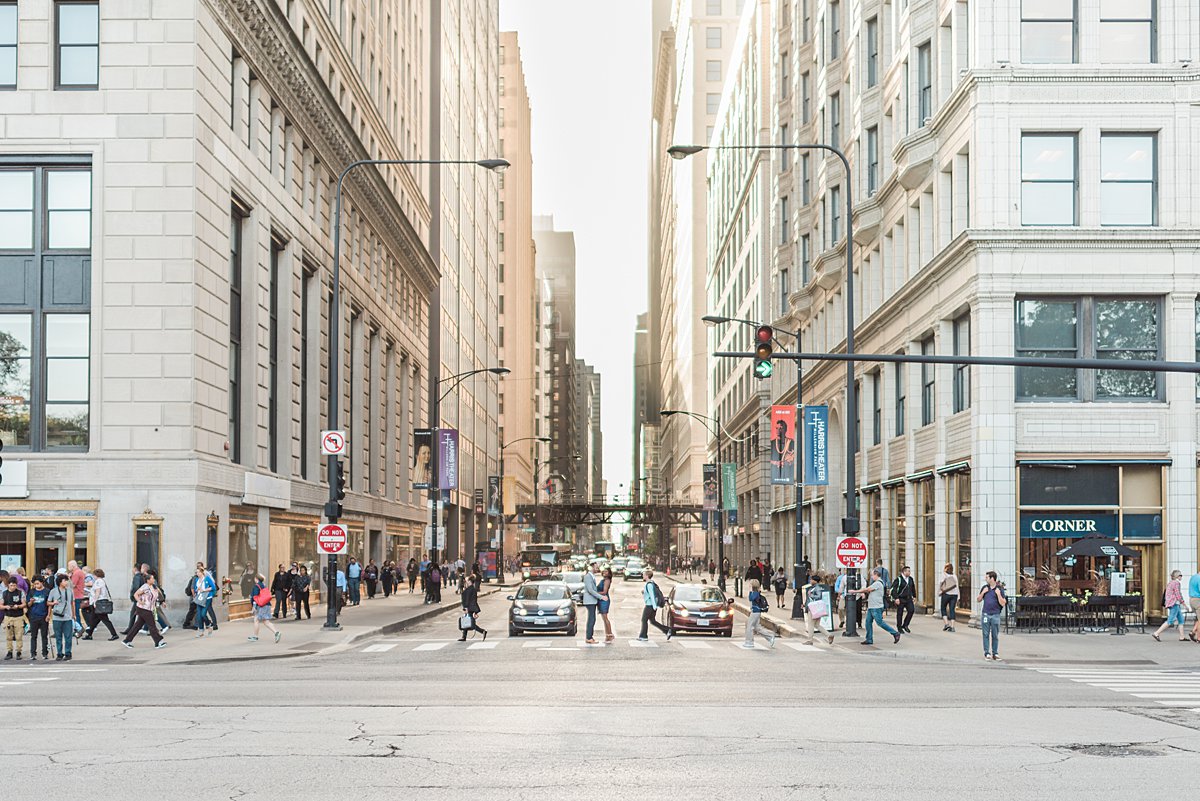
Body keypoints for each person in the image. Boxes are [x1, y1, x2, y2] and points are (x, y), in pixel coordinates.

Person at [849, 568, 901, 646]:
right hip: (872, 606)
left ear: (876, 575)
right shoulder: (877, 582)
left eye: (872, 575)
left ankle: (895, 633)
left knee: (880, 622)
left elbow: (867, 589)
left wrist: (855, 591)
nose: (872, 577)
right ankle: (869, 639)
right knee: (868, 623)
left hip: (876, 607)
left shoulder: (878, 583)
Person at [122, 573, 166, 650]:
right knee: (152, 625)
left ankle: (127, 640)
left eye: (153, 578)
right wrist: (140, 601)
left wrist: (162, 602)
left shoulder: (153, 586)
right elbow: (136, 594)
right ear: (148, 580)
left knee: (137, 625)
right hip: (143, 608)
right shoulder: (145, 587)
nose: (153, 580)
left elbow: (158, 595)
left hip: (149, 608)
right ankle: (158, 641)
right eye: (152, 578)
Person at [977, 571, 1007, 661]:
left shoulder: (999, 589)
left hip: (995, 615)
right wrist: (983, 593)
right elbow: (978, 599)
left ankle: (995, 653)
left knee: (995, 635)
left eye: (987, 577)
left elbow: (1003, 603)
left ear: (992, 578)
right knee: (985, 634)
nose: (986, 579)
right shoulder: (985, 588)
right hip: (986, 614)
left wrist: (998, 594)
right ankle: (987, 653)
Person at [83, 568, 118, 641]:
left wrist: (95, 602)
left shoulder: (98, 581)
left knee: (104, 619)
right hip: (99, 602)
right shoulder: (101, 581)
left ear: (96, 575)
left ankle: (114, 634)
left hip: (99, 602)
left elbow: (97, 592)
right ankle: (89, 634)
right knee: (94, 619)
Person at [637, 569, 672, 642]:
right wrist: (644, 593)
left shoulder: (649, 585)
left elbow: (652, 596)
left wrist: (654, 607)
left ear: (647, 576)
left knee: (644, 620)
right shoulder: (651, 583)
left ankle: (643, 636)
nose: (642, 576)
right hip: (651, 605)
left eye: (644, 575)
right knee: (653, 621)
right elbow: (650, 594)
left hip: (650, 606)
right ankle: (667, 630)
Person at [802, 573, 836, 646]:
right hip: (816, 608)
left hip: (813, 608)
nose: (810, 581)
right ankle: (829, 635)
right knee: (817, 625)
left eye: (811, 579)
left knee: (811, 624)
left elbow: (818, 596)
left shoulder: (816, 588)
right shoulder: (813, 587)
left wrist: (811, 595)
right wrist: (805, 604)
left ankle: (810, 640)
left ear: (815, 581)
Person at [1153, 570, 1187, 642]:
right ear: (1177, 576)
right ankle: (1157, 633)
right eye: (1180, 575)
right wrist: (1183, 603)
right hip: (1174, 603)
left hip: (1172, 603)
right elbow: (1178, 594)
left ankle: (1182, 636)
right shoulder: (1176, 583)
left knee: (1181, 620)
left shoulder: (1171, 583)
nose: (1181, 577)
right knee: (1170, 620)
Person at [48, 574, 76, 660]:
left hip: (67, 616)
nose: (66, 582)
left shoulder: (70, 591)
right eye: (64, 580)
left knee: (68, 636)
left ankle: (68, 653)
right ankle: (59, 653)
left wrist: (74, 614)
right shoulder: (53, 591)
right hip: (57, 617)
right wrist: (53, 604)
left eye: (67, 580)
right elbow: (48, 603)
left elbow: (72, 603)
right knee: (58, 636)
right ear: (60, 582)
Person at [743, 578, 776, 649]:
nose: (749, 585)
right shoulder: (755, 592)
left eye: (750, 584)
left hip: (755, 612)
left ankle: (749, 642)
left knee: (749, 626)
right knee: (757, 627)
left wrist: (750, 591)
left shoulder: (755, 593)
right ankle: (770, 637)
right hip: (756, 612)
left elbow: (751, 598)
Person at [249, 573, 281, 643]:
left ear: (256, 579)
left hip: (261, 606)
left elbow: (255, 597)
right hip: (267, 604)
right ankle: (275, 632)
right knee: (264, 621)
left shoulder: (256, 586)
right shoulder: (263, 585)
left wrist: (254, 607)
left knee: (258, 620)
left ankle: (256, 636)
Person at [26, 578, 50, 661]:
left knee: (44, 636)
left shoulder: (47, 591)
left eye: (38, 583)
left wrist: (48, 615)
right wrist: (31, 601)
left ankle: (45, 653)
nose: (36, 585)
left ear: (42, 583)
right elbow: (28, 604)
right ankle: (33, 653)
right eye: (35, 584)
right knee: (33, 636)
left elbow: (49, 604)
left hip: (43, 616)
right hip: (33, 616)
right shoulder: (32, 592)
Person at [2, 577, 26, 660]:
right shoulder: (4, 593)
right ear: (8, 585)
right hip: (8, 616)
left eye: (14, 585)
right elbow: (0, 605)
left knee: (19, 635)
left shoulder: (20, 592)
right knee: (9, 636)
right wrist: (6, 607)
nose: (13, 587)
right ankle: (9, 651)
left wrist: (18, 606)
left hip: (18, 616)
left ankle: (19, 651)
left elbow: (24, 604)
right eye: (11, 585)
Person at [458, 575, 487, 641]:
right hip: (471, 607)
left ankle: (482, 631)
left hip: (470, 608)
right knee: (467, 621)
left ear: (470, 581)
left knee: (471, 623)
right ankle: (464, 636)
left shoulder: (470, 589)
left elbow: (468, 599)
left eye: (467, 580)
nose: (466, 582)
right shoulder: (471, 589)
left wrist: (466, 608)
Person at [190, 567, 216, 638]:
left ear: (202, 572)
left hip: (207, 598)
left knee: (203, 614)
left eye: (198, 572)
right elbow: (196, 589)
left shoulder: (207, 578)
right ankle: (201, 630)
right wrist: (196, 590)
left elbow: (213, 587)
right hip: (200, 598)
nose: (197, 574)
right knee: (199, 615)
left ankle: (209, 625)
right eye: (196, 572)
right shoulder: (197, 580)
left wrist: (203, 589)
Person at [581, 562, 604, 644]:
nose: (597, 568)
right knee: (591, 619)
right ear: (592, 567)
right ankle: (589, 637)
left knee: (592, 619)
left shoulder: (591, 576)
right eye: (596, 567)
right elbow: (590, 590)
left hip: (592, 601)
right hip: (589, 601)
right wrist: (601, 597)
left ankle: (590, 637)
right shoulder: (588, 576)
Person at [891, 565, 916, 634]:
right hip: (901, 599)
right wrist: (896, 598)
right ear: (904, 572)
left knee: (911, 610)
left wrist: (914, 596)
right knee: (900, 613)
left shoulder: (910, 579)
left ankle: (905, 625)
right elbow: (894, 589)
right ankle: (899, 627)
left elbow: (913, 587)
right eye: (908, 571)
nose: (909, 572)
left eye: (909, 571)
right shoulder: (898, 579)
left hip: (908, 598)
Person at [127, 563, 149, 633]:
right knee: (142, 614)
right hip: (141, 597)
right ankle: (144, 628)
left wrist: (134, 596)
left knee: (133, 614)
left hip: (138, 598)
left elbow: (136, 587)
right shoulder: (142, 576)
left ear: (135, 568)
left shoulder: (137, 576)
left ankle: (130, 629)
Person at [938, 563, 959, 633]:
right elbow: (957, 586)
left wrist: (939, 591)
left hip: (946, 594)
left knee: (943, 608)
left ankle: (946, 624)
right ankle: (952, 626)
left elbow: (941, 583)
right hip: (954, 594)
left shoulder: (944, 575)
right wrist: (958, 596)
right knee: (952, 609)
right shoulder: (954, 576)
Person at [68, 559, 87, 626]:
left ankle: (78, 628)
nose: (68, 568)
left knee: (75, 613)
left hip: (76, 595)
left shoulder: (76, 573)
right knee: (76, 613)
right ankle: (78, 627)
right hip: (79, 594)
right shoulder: (80, 572)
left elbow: (72, 585)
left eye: (69, 566)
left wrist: (68, 578)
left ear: (73, 566)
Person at [599, 567, 615, 643]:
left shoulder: (607, 580)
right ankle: (608, 635)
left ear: (609, 573)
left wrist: (595, 593)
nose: (604, 572)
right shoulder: (604, 580)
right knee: (604, 619)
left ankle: (610, 635)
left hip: (604, 600)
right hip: (602, 599)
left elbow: (604, 592)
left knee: (605, 618)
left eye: (606, 571)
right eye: (603, 571)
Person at [1189, 567, 1200, 643]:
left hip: (1192, 600)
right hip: (1198, 600)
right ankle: (1199, 638)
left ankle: (1192, 632)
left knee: (1198, 619)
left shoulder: (1193, 577)